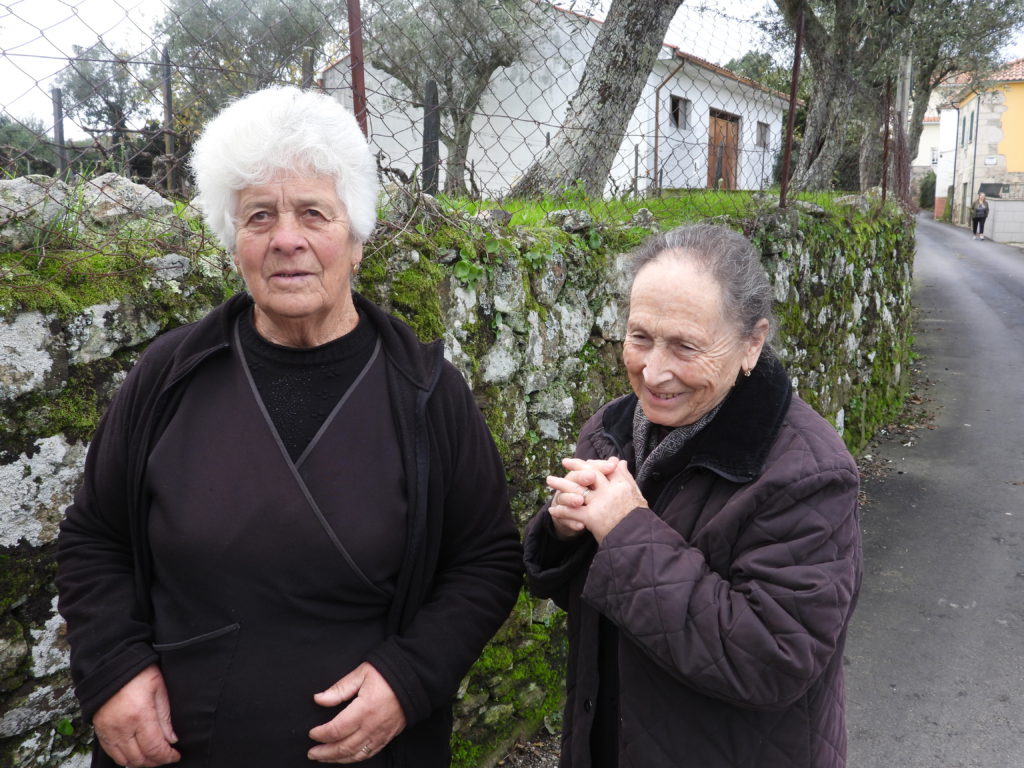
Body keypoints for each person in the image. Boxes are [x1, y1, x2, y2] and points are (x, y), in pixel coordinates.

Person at [56, 85, 523, 768]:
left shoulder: (426, 393)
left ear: (356, 239)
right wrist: (113, 671)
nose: (286, 239)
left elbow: (487, 559)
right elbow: (94, 536)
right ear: (234, 241)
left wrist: (411, 677)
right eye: (259, 217)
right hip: (179, 749)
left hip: (371, 751)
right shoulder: (169, 375)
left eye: (314, 213)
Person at [524, 224, 863, 768]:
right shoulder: (613, 429)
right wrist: (564, 532)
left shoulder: (808, 474)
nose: (654, 372)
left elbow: (773, 658)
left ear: (752, 343)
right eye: (640, 337)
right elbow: (596, 602)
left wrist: (626, 531)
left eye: (685, 346)